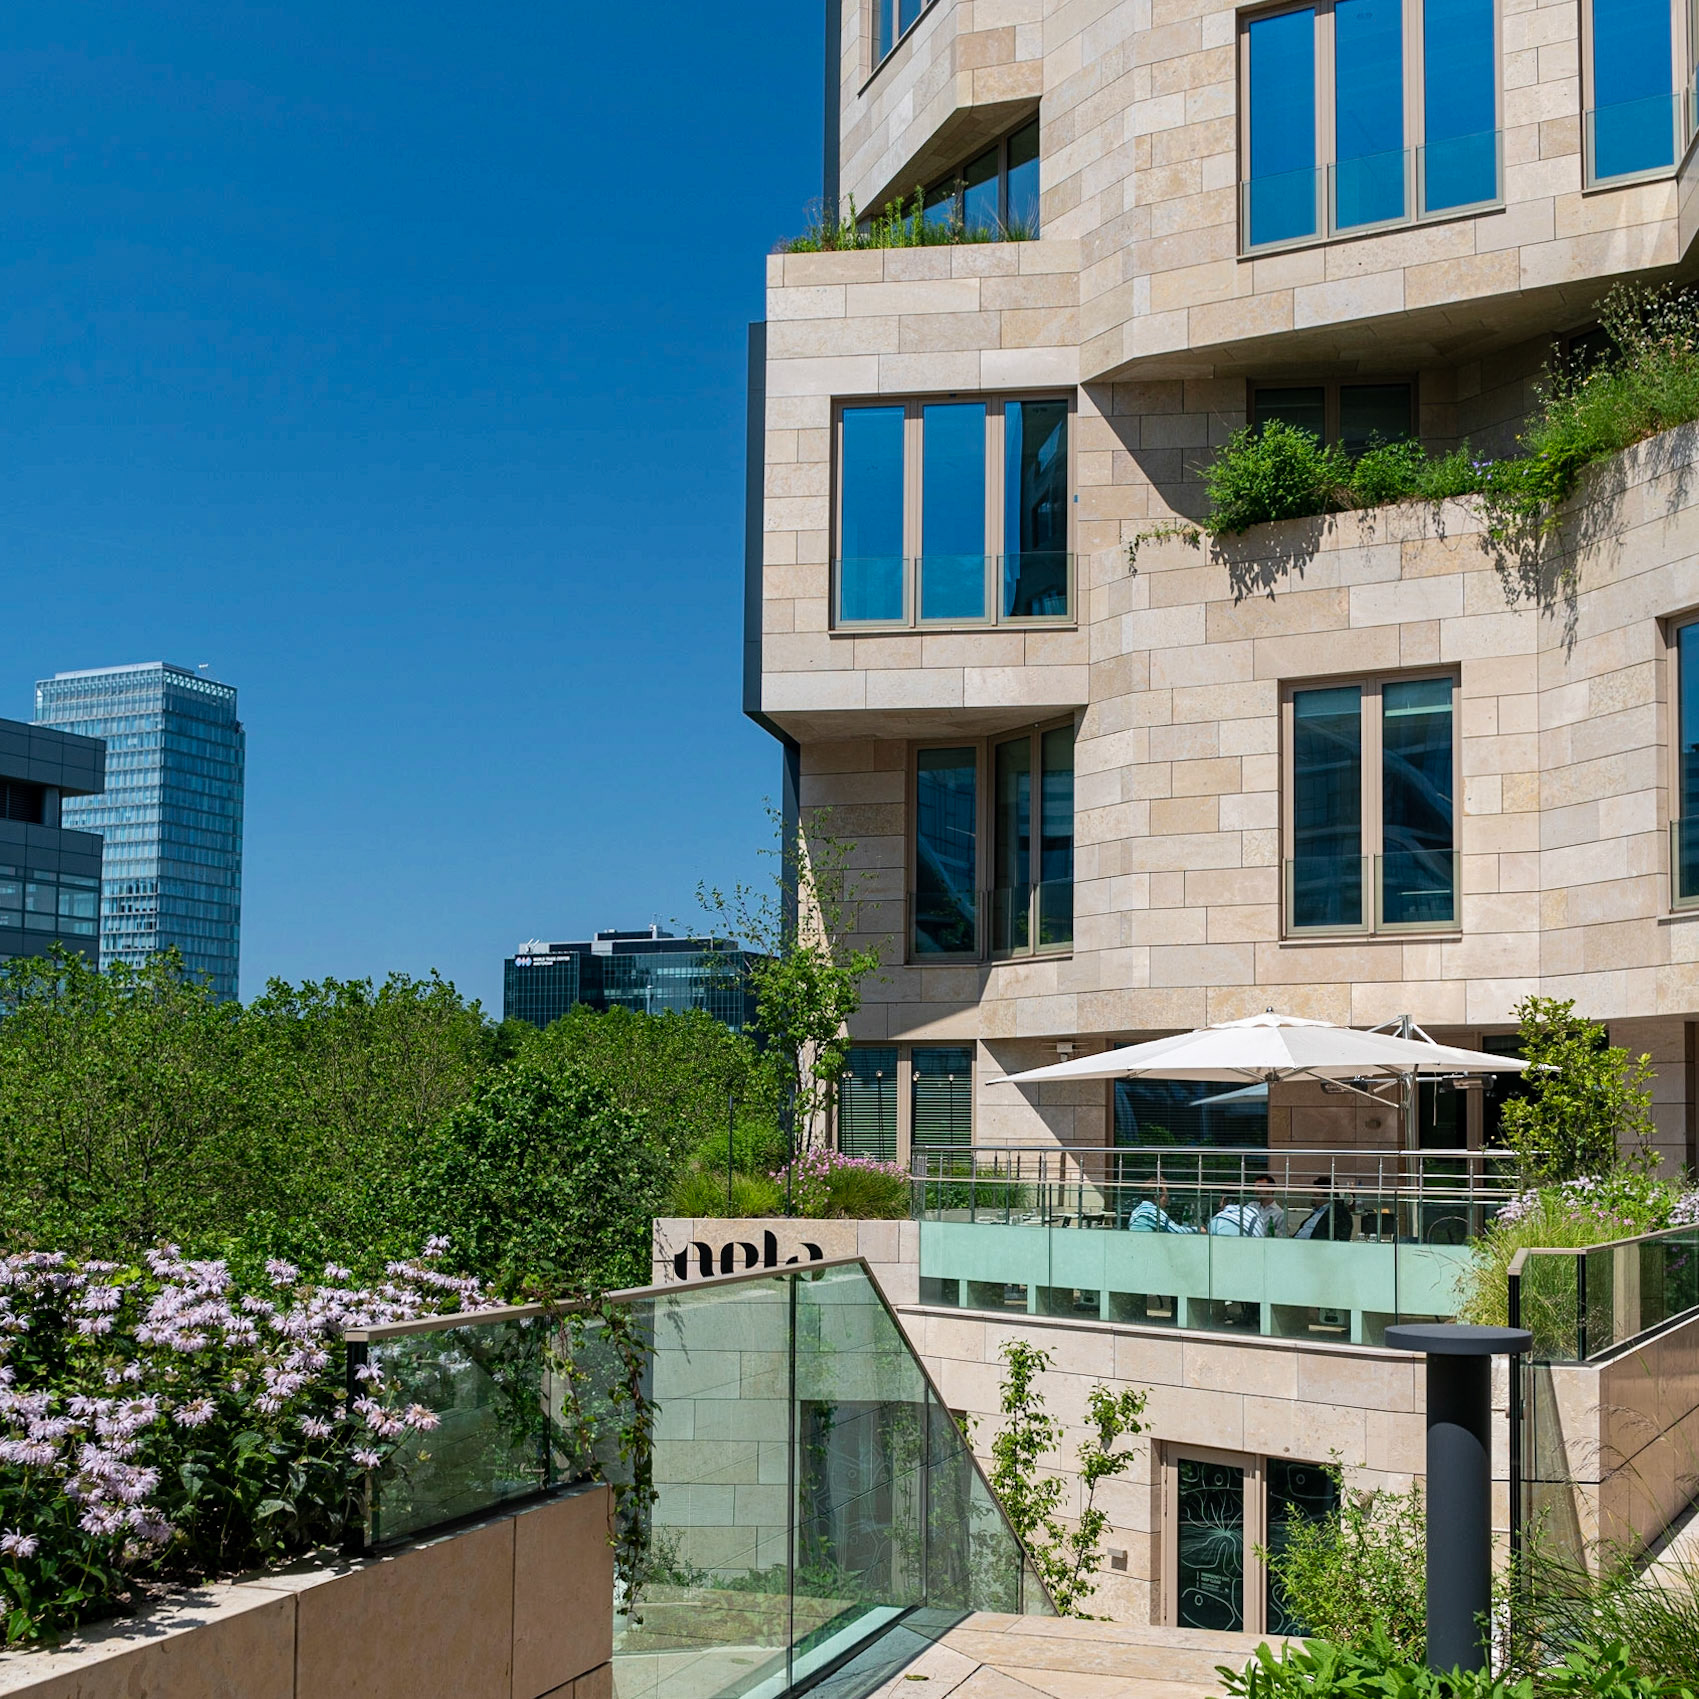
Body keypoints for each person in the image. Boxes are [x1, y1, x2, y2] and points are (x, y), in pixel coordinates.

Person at [1293, 1177, 1355, 1241]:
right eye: (1313, 1194)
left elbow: (1341, 1240)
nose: (1313, 1197)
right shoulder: (1316, 1213)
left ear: (1327, 1198)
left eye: (1316, 1195)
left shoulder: (1340, 1215)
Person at [1127, 1183, 1199, 1233]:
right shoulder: (1152, 1212)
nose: (1167, 1201)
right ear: (1156, 1197)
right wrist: (1198, 1230)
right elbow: (1177, 1231)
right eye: (1166, 1197)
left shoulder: (1137, 1211)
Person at [1251, 1174, 1287, 1238]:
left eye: (1260, 1187)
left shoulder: (1279, 1214)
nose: (1256, 1190)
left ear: (1271, 1189)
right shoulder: (1252, 1206)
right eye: (1255, 1187)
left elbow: (1283, 1236)